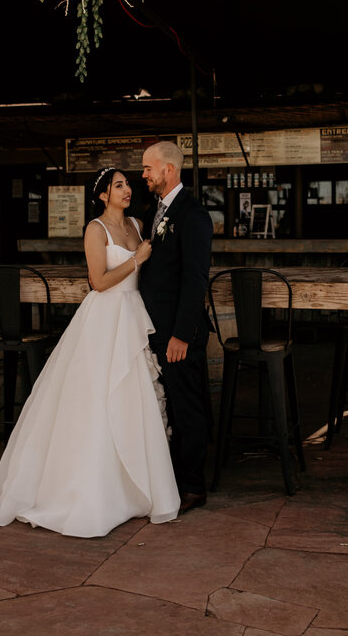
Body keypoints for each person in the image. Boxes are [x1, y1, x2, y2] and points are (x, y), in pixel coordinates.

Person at [0, 167, 180, 537]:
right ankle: (92, 492)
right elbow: (98, 282)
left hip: (135, 316)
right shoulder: (95, 229)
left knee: (135, 400)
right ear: (103, 194)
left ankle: (135, 489)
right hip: (106, 317)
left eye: (127, 185)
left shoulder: (138, 224)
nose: (126, 190)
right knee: (97, 401)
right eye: (118, 185)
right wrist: (138, 259)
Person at [139, 141, 213, 512]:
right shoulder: (156, 210)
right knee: (167, 405)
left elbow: (195, 279)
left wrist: (182, 334)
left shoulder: (193, 214)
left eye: (148, 168)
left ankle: (193, 488)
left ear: (168, 169)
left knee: (186, 407)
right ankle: (170, 478)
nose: (144, 174)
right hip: (157, 329)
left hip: (178, 334)